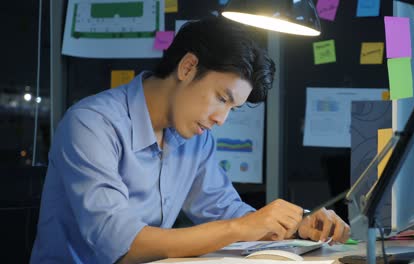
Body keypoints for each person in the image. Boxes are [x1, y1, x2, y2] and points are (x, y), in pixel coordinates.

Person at [31, 17, 350, 263]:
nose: (220, 119)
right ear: (187, 67)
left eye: (232, 109)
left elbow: (223, 211)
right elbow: (121, 246)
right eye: (221, 98)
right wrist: (243, 227)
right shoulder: (91, 125)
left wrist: (298, 225)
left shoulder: (195, 139)